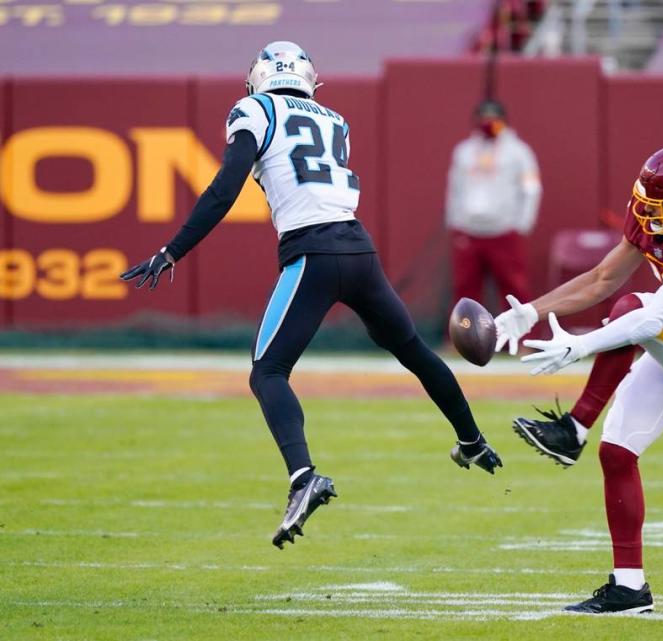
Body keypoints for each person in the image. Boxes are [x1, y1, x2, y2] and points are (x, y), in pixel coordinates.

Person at [120, 41, 502, 550]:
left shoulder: (254, 109)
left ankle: (303, 477)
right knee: (413, 351)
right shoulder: (333, 118)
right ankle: (472, 441)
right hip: (358, 250)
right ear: (308, 78)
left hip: (312, 252)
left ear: (258, 77)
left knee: (267, 371)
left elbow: (224, 188)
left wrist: (173, 251)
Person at [493, 144, 663, 613]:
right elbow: (601, 279)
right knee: (617, 454)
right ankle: (629, 588)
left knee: (635, 306)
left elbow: (648, 320)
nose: (649, 214)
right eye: (646, 202)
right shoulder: (650, 216)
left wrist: (579, 346)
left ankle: (573, 428)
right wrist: (528, 314)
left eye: (661, 208)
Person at [445, 99, 541, 310]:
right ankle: (462, 339)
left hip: (504, 230)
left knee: (514, 288)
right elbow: (455, 187)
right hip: (469, 230)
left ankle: (522, 338)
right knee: (465, 289)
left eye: (493, 119)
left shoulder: (518, 152)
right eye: (483, 118)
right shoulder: (464, 151)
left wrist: (523, 223)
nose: (488, 123)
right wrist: (455, 220)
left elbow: (531, 187)